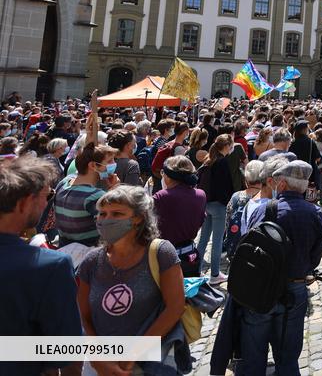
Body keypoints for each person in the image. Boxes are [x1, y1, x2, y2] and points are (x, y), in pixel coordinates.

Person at [77, 185, 189, 374]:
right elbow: (83, 316)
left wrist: (131, 357)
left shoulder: (160, 253)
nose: (106, 219)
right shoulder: (91, 262)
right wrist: (98, 359)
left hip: (149, 363)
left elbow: (175, 308)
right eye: (102, 214)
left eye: (117, 213)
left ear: (138, 218)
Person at [240, 161, 322, 376]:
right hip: (295, 289)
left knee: (253, 353)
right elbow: (314, 259)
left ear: (283, 185)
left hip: (262, 288)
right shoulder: (315, 213)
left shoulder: (267, 209)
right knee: (288, 356)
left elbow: (248, 246)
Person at [0, 157, 84, 376]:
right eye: (48, 196)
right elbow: (67, 355)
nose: (47, 203)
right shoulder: (50, 266)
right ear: (25, 203)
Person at [153, 155, 207, 277]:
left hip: (165, 257)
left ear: (168, 176)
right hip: (190, 255)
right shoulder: (201, 195)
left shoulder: (161, 196)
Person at [55, 143, 119, 246]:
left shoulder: (64, 182)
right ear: (92, 165)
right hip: (86, 252)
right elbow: (112, 227)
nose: (114, 164)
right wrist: (114, 190)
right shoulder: (95, 196)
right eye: (109, 161)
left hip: (63, 247)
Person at [196, 134, 235, 284]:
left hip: (206, 204)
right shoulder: (222, 162)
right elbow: (226, 186)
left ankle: (196, 270)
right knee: (217, 241)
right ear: (226, 146)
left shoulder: (208, 160)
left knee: (203, 239)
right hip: (219, 205)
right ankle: (215, 274)